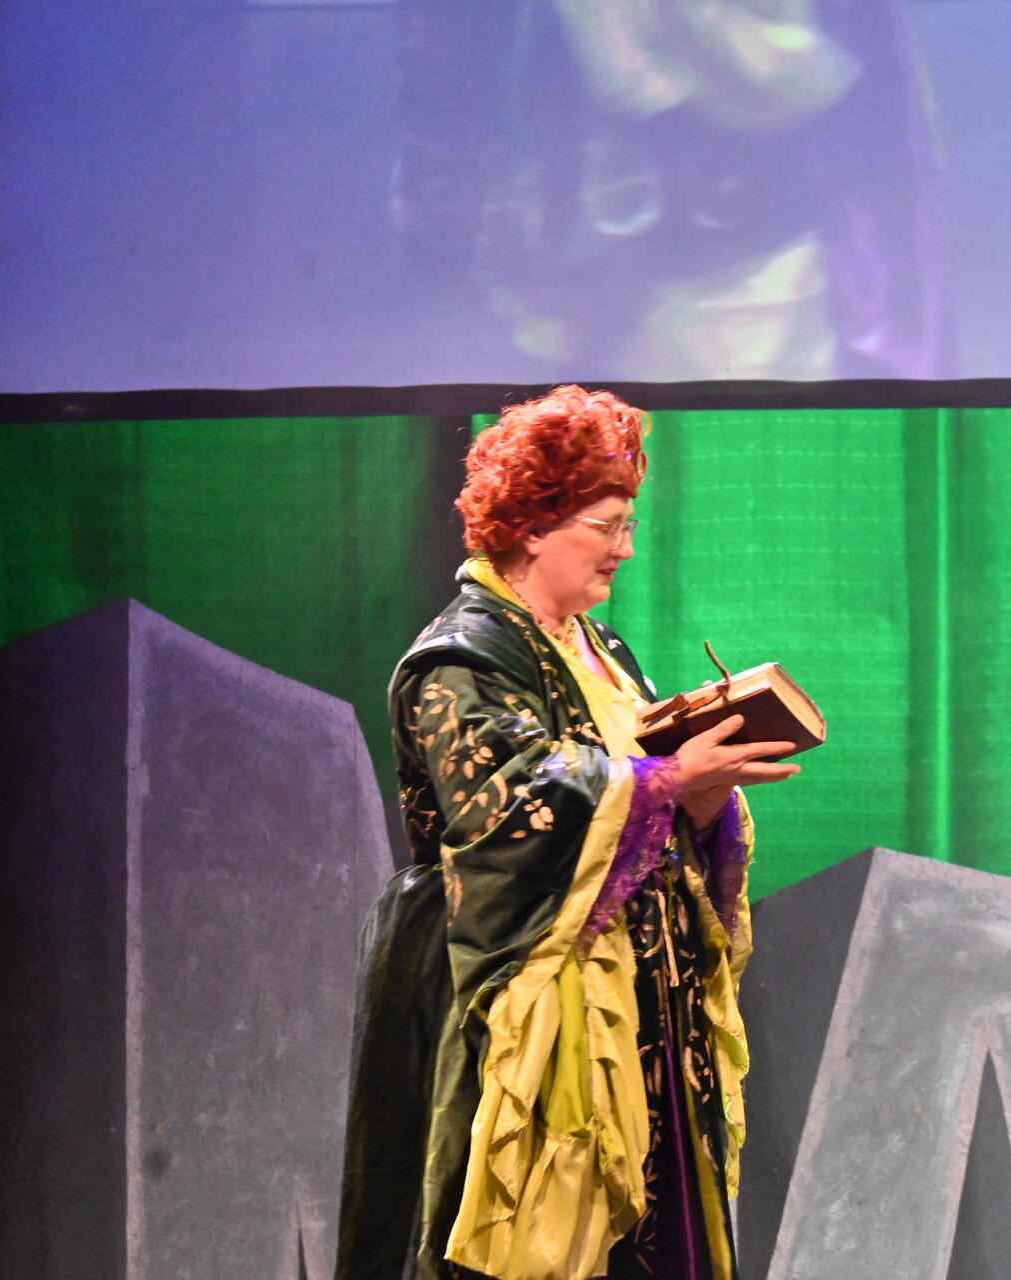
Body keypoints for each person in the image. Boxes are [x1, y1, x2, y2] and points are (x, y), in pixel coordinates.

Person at [335, 385, 800, 1280]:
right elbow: (507, 812)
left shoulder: (603, 650)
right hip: (534, 1032)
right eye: (606, 525)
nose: (625, 547)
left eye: (629, 524)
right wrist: (668, 780)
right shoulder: (461, 657)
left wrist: (703, 799)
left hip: (645, 1020)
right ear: (531, 525)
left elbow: (648, 794)